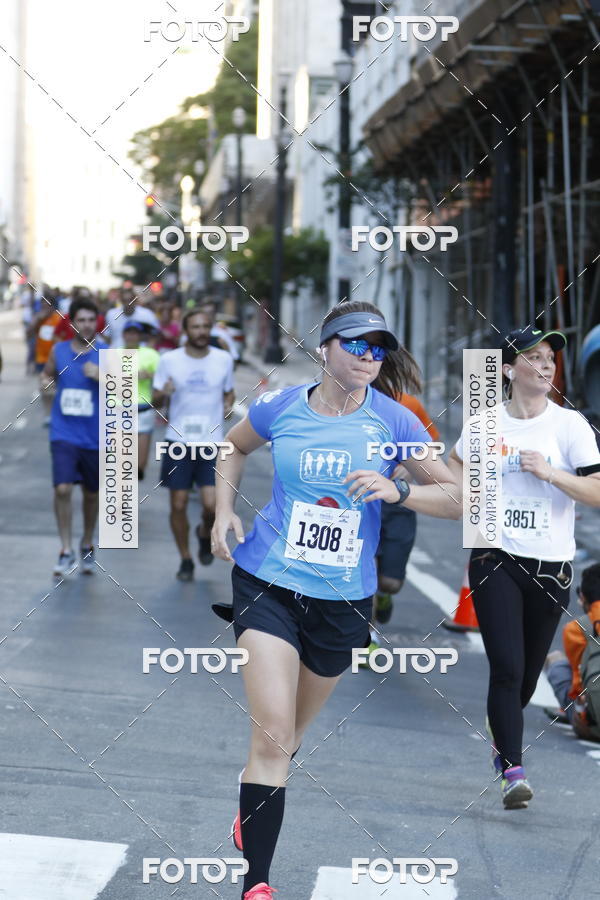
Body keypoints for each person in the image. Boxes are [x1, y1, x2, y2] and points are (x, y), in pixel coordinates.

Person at [211, 301, 460, 900]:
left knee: (287, 740)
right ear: (326, 347)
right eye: (357, 345)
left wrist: (398, 489)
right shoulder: (282, 407)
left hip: (344, 601)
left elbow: (457, 498)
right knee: (271, 737)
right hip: (268, 582)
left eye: (380, 348)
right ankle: (258, 883)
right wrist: (222, 512)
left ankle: (252, 805)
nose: (370, 357)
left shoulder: (396, 422)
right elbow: (233, 447)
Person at [449, 325, 600, 809]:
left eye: (550, 358)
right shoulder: (484, 422)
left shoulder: (569, 426)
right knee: (507, 669)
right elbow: (454, 469)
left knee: (529, 676)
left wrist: (550, 473)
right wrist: (470, 501)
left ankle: (503, 728)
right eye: (533, 357)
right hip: (495, 558)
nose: (545, 365)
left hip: (550, 568)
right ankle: (512, 770)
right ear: (508, 369)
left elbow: (597, 493)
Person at [152, 307, 234, 581]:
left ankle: (203, 532)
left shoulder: (223, 359)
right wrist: (164, 394)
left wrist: (229, 404)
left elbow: (229, 391)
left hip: (211, 442)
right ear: (185, 331)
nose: (200, 332)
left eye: (205, 326)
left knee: (211, 506)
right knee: (178, 503)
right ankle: (185, 559)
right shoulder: (170, 360)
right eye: (195, 327)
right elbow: (156, 401)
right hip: (178, 441)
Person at [41, 297, 107, 577]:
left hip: (95, 436)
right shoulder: (59, 351)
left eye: (91, 320)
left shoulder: (107, 354)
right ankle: (66, 548)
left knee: (91, 495)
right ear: (72, 322)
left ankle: (87, 542)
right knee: (63, 489)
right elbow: (45, 377)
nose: (87, 325)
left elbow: (126, 393)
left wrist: (103, 376)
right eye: (81, 320)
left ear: (97, 322)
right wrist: (46, 386)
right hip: (63, 432)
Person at [545, 563, 600, 742]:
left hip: (594, 726)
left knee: (555, 660)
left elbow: (578, 688)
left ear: (583, 596)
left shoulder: (577, 629)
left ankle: (567, 711)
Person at [122, 322, 160, 480]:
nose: (132, 336)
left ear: (141, 336)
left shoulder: (151, 354)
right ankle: (120, 501)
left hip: (143, 411)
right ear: (123, 335)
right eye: (129, 333)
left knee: (139, 468)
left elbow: (164, 379)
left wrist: (151, 376)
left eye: (135, 333)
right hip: (119, 411)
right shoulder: (113, 353)